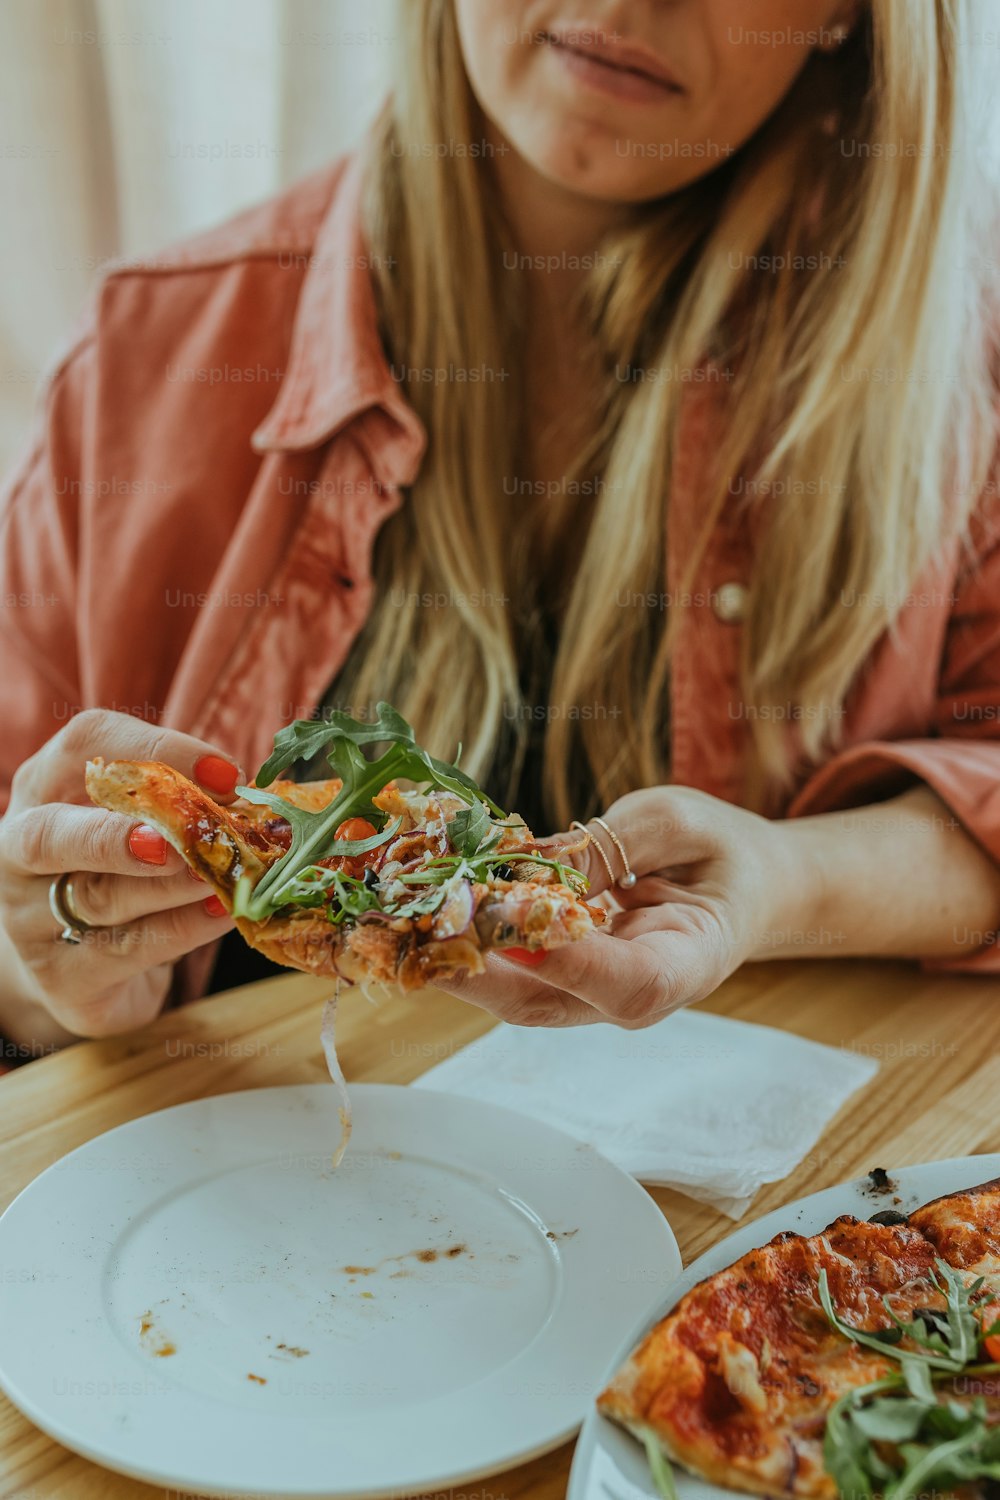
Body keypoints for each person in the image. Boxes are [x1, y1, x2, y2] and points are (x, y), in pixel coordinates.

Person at [1, 0, 999, 1057]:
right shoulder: (143, 361)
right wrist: (45, 970)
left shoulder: (962, 373)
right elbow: (21, 926)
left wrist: (784, 878)